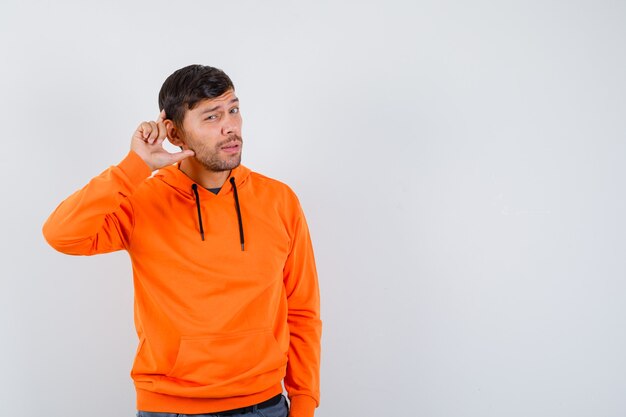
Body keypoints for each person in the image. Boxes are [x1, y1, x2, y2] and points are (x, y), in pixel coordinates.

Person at [42, 64, 321, 417]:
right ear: (174, 133)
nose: (230, 126)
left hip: (263, 404)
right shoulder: (142, 199)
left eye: (234, 110)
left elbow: (303, 311)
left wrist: (304, 403)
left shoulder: (280, 200)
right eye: (211, 117)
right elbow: (61, 234)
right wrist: (136, 166)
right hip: (169, 407)